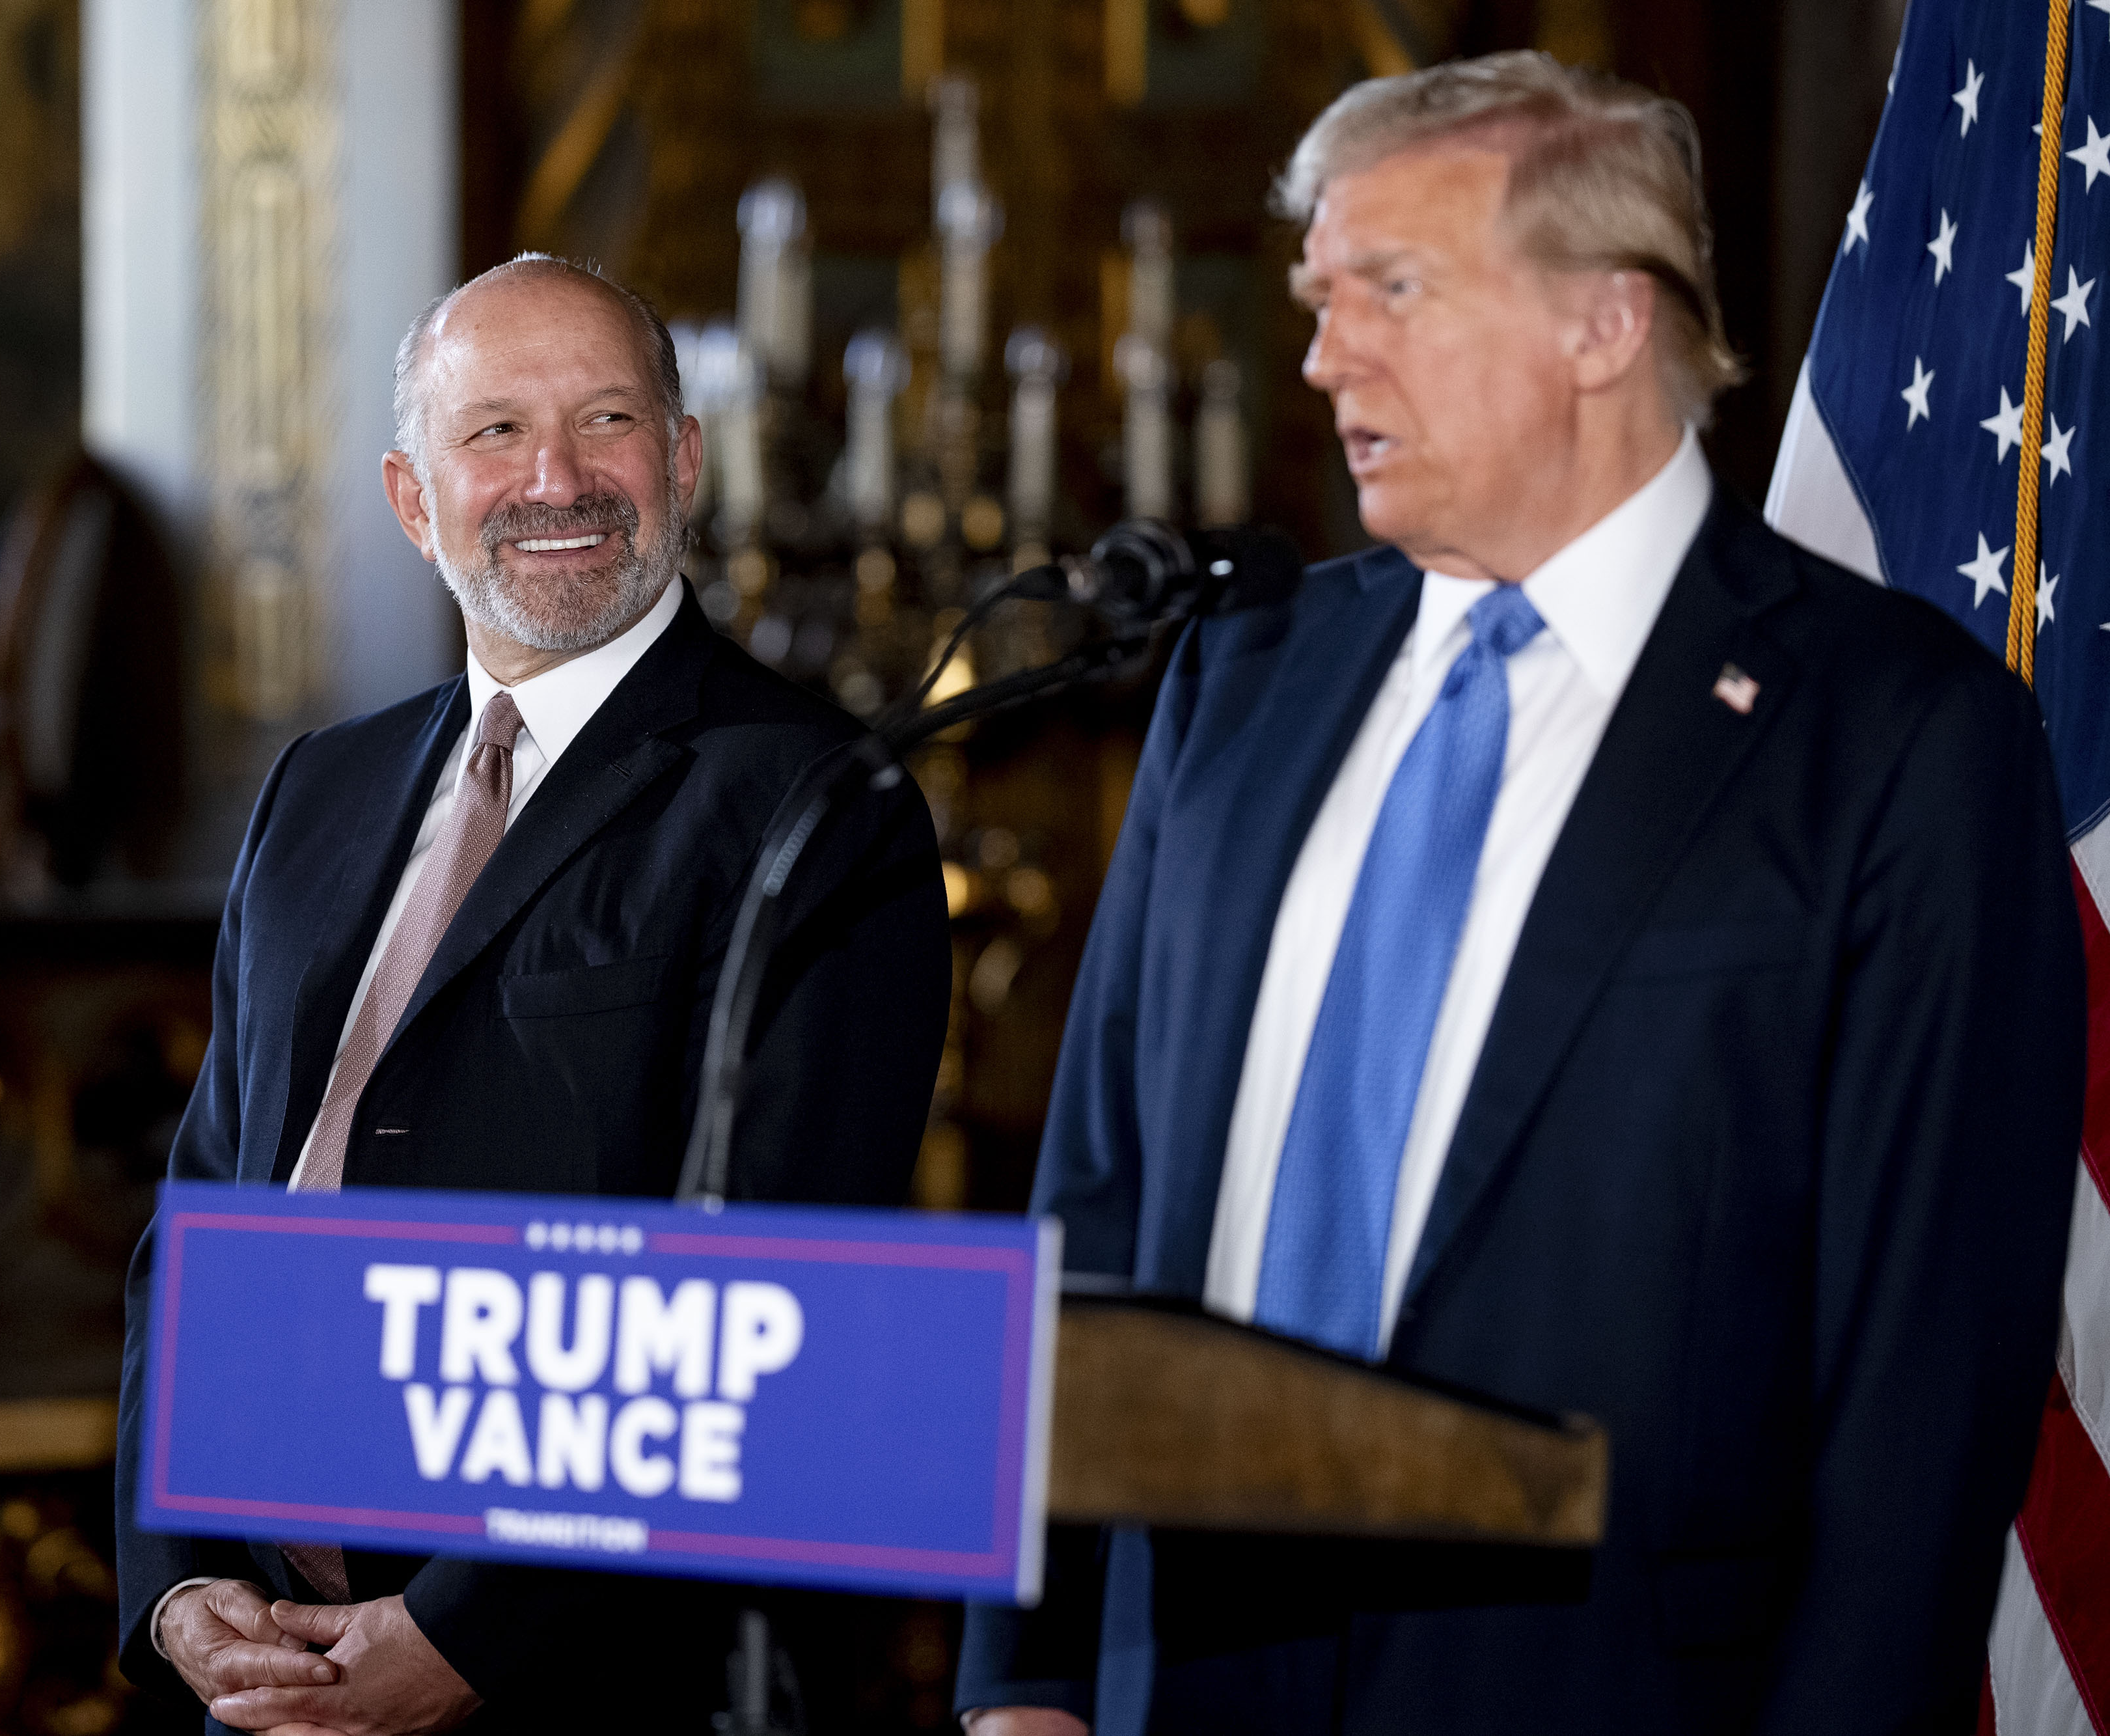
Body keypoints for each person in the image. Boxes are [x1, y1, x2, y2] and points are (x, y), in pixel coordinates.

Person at [959, 51, 2083, 1735]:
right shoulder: (1239, 682)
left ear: (1605, 325)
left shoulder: (1902, 740)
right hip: (1174, 1679)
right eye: (1320, 299)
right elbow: (1095, 1195)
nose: (1328, 352)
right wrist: (1024, 1672)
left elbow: (1926, 1391)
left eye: (1391, 290)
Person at [115, 255, 950, 1733]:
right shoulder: (318, 789)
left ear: (682, 460)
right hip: (256, 1680)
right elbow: (201, 1224)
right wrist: (179, 1590)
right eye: (494, 431)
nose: (555, 477)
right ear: (408, 494)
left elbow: (767, 1293)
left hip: (587, 1687)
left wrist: (464, 1635)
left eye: (606, 419)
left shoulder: (815, 800)